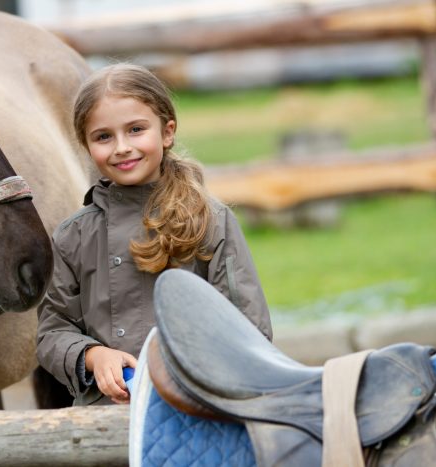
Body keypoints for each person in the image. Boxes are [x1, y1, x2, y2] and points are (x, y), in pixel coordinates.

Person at [36, 63, 272, 406]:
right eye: (103, 136)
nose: (121, 147)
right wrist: (93, 356)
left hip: (199, 406)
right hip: (103, 413)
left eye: (135, 130)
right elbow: (52, 332)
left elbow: (249, 325)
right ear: (87, 146)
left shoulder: (210, 219)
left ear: (167, 131)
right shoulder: (73, 235)